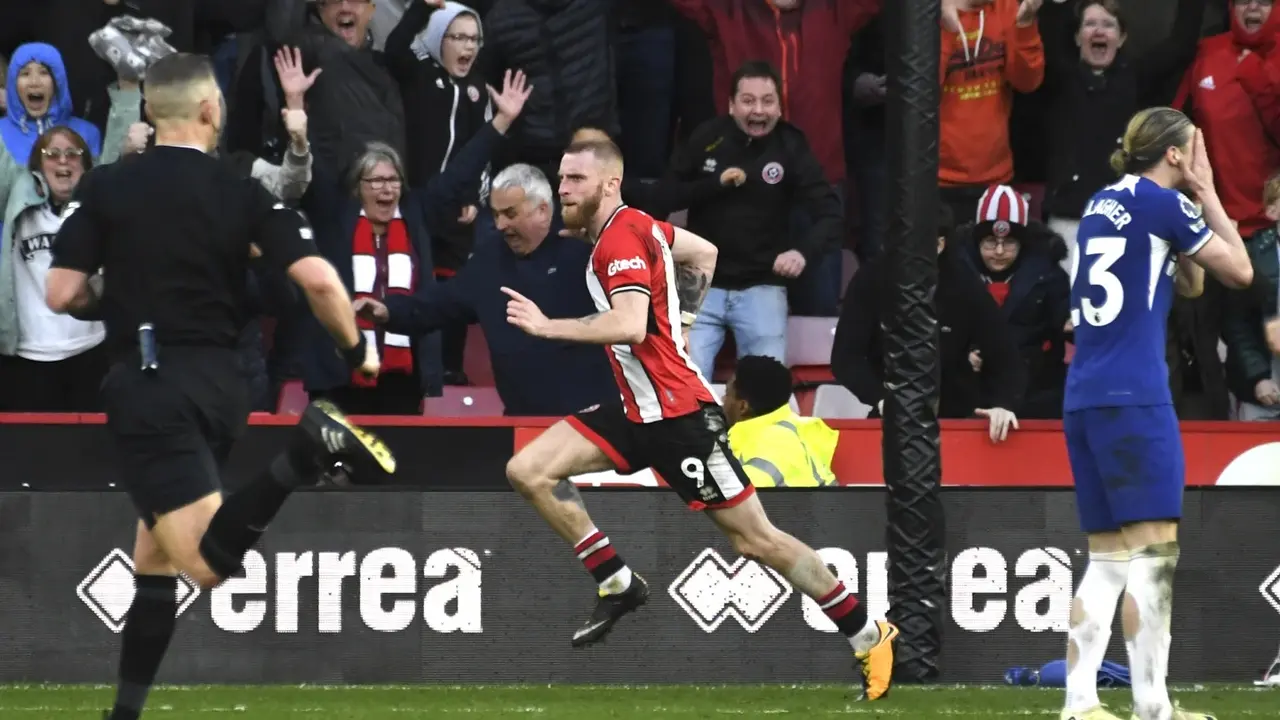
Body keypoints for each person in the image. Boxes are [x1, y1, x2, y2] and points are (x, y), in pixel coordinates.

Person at [42, 53, 396, 720]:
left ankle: (304, 453)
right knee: (153, 556)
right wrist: (357, 352)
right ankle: (125, 714)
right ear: (211, 110)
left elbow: (62, 294)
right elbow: (320, 281)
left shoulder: (113, 186)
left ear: (150, 112)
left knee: (205, 566)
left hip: (150, 385)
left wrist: (115, 294)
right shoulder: (243, 192)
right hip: (223, 384)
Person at [499, 138, 899, 700]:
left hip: (679, 416)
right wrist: (685, 322)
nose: (563, 189)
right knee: (528, 470)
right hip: (636, 408)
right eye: (561, 179)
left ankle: (868, 632)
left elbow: (631, 325)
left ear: (609, 184)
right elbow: (705, 252)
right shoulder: (642, 226)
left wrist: (547, 327)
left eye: (575, 181)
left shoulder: (616, 241)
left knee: (757, 541)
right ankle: (616, 581)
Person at [1059, 106, 1253, 720]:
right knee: (1154, 559)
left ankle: (1081, 703)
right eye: (1194, 150)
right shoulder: (1167, 205)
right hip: (1134, 397)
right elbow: (1241, 271)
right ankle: (1153, 707)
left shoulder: (1098, 203)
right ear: (1175, 155)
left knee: (1109, 558)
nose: (1200, 158)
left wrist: (1186, 215)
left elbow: (1190, 284)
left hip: (1085, 395)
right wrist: (1210, 195)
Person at [353, 162, 617, 416]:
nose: (501, 225)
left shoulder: (584, 249)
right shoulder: (490, 259)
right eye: (496, 214)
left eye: (510, 214)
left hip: (591, 419)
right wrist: (387, 311)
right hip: (521, 421)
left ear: (543, 210)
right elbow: (439, 304)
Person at [722, 354, 838, 488]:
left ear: (743, 406)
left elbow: (739, 499)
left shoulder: (773, 442)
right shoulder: (788, 429)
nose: (723, 400)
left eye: (727, 393)